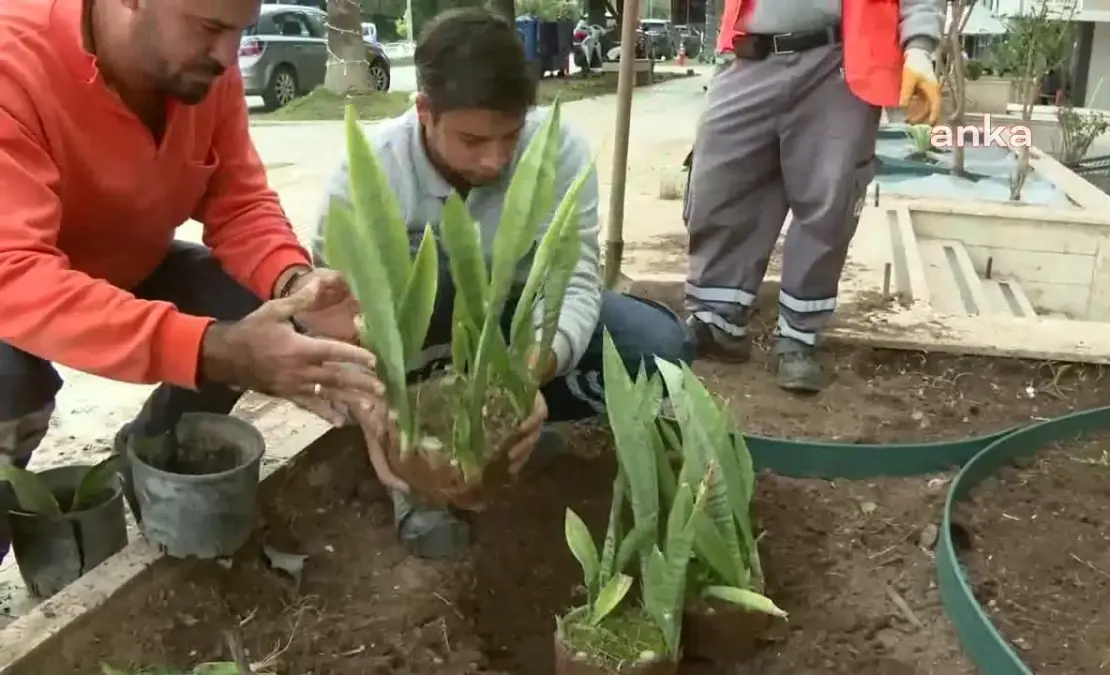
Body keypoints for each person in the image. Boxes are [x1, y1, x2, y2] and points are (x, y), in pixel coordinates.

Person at [0, 0, 384, 558]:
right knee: (10, 391)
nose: (229, 57)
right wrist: (212, 350)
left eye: (240, 32)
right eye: (210, 28)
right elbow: (16, 274)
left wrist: (294, 283)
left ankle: (152, 452)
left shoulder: (204, 72)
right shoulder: (14, 63)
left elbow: (240, 201)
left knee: (249, 309)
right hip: (14, 282)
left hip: (125, 257)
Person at [314, 8, 694, 560]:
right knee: (428, 280)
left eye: (510, 135)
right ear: (425, 112)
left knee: (658, 349)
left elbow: (574, 275)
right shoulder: (367, 174)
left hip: (513, 325)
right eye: (471, 140)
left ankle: (508, 430)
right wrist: (376, 415)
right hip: (417, 345)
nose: (495, 159)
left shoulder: (555, 152)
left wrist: (524, 381)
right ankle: (421, 471)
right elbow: (332, 318)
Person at [682, 0, 944, 393]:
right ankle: (717, 319)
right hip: (751, 53)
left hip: (838, 62)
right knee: (719, 183)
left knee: (828, 199)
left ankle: (799, 336)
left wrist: (920, 49)